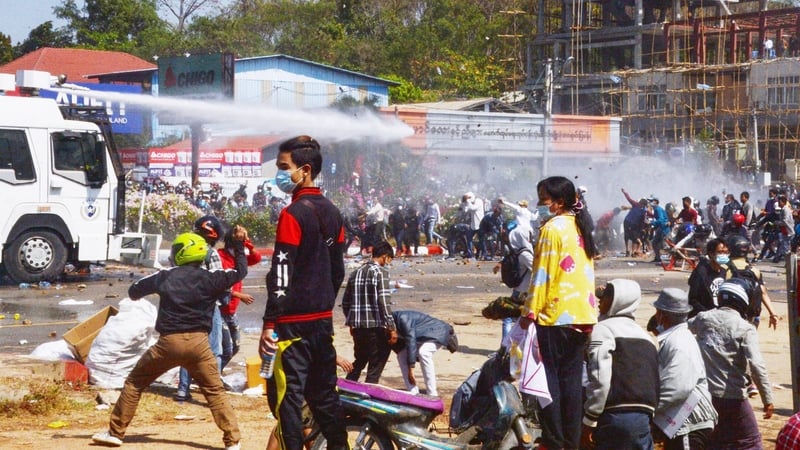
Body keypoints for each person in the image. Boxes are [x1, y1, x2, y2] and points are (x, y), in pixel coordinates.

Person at [91, 231, 248, 450]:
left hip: (168, 344)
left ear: (180, 254)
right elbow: (241, 271)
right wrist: (239, 244)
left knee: (135, 383)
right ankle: (233, 442)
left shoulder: (165, 276)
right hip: (199, 344)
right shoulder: (213, 278)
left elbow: (134, 291)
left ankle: (115, 433)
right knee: (214, 392)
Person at [261, 135, 347, 450]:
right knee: (326, 399)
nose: (280, 174)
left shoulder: (292, 214)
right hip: (322, 324)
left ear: (305, 170)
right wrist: (323, 302)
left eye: (284, 167)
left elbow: (281, 273)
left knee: (288, 402)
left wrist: (270, 323)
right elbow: (338, 271)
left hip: (292, 327)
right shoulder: (334, 213)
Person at [518, 176, 599, 450]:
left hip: (555, 314)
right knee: (572, 383)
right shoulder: (580, 226)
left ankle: (553, 441)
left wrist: (529, 312)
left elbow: (541, 275)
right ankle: (570, 441)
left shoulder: (551, 228)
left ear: (559, 202)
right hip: (583, 314)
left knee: (549, 379)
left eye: (543, 199)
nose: (540, 204)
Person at [689, 279, 774, 449]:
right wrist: (767, 399)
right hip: (733, 397)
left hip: (704, 395)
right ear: (742, 302)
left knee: (715, 440)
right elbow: (757, 365)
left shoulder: (703, 318)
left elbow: (679, 328)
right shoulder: (745, 328)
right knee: (750, 441)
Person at [581, 279, 659, 450]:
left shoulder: (603, 330)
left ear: (619, 300)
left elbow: (600, 377)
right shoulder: (647, 338)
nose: (600, 300)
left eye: (606, 295)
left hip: (614, 417)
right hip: (643, 418)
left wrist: (589, 419)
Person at [651, 288, 717, 449]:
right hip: (680, 423)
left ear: (661, 315)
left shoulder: (678, 342)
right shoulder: (678, 337)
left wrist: (648, 410)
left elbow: (677, 388)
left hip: (687, 422)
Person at [176, 215, 228, 401]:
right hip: (208, 305)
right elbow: (219, 281)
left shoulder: (184, 250)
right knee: (215, 349)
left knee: (189, 347)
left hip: (187, 304)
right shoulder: (210, 253)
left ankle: (183, 389)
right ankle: (214, 391)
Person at [342, 241, 397, 383]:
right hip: (374, 326)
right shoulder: (381, 272)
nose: (388, 263)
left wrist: (352, 323)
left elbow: (346, 302)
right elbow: (384, 301)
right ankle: (370, 389)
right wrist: (391, 327)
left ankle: (349, 386)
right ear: (385, 257)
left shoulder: (355, 273)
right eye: (389, 260)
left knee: (360, 359)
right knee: (377, 361)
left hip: (357, 327)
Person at [218, 225, 262, 371]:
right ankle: (211, 377)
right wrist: (238, 295)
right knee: (225, 349)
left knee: (235, 348)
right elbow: (217, 284)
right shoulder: (220, 256)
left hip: (231, 311)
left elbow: (256, 258)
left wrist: (247, 242)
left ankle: (214, 373)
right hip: (219, 310)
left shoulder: (238, 257)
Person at [390, 310, 459, 396]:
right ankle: (413, 391)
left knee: (424, 353)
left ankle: (432, 393)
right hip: (422, 336)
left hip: (439, 331)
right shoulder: (386, 328)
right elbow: (400, 347)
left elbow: (411, 340)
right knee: (401, 355)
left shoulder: (403, 319)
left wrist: (411, 368)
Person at [492, 219, 534, 340]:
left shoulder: (521, 253)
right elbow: (537, 270)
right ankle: (508, 346)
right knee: (512, 318)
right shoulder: (524, 253)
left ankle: (506, 346)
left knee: (510, 318)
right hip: (522, 291)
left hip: (521, 291)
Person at [726, 234, 779, 330]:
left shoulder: (724, 269)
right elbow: (763, 292)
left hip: (729, 317)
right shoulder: (754, 271)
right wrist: (773, 314)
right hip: (752, 317)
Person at [687, 238, 729, 317]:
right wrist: (708, 314)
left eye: (726, 252)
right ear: (711, 254)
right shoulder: (701, 272)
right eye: (720, 252)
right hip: (702, 317)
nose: (724, 255)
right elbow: (693, 300)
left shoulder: (723, 272)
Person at [621, 188, 648, 257]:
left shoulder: (644, 211)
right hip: (627, 221)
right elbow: (629, 199)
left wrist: (642, 228)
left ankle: (633, 252)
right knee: (626, 236)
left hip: (635, 224)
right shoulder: (635, 204)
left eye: (642, 203)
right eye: (640, 202)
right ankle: (627, 250)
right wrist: (624, 192)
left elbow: (642, 220)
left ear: (644, 204)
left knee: (634, 237)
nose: (640, 204)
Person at [461, 192, 484, 259]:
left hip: (480, 224)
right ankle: (470, 254)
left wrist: (467, 200)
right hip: (473, 225)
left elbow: (473, 208)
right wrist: (464, 202)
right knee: (469, 239)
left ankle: (483, 254)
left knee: (482, 241)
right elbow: (465, 210)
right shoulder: (470, 203)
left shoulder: (478, 201)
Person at [649, 196, 671, 263]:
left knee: (665, 245)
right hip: (661, 228)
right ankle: (657, 258)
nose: (650, 202)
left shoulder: (657, 209)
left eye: (651, 201)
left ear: (656, 202)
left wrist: (651, 222)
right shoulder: (656, 209)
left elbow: (661, 220)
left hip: (664, 229)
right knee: (655, 243)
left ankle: (674, 258)